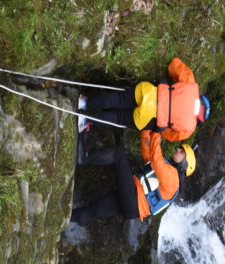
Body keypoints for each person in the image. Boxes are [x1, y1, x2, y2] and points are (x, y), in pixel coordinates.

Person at [70, 132, 195, 225]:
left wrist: (157, 131)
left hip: (133, 199)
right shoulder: (168, 167)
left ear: (183, 165)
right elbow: (148, 156)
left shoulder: (174, 181)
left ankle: (84, 159)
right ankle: (65, 218)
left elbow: (156, 161)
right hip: (132, 208)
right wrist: (147, 132)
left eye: (182, 152)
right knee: (93, 211)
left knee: (118, 154)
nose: (178, 149)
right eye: (181, 148)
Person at [79, 57, 209, 141]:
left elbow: (174, 65)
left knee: (116, 99)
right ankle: (86, 120)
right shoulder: (189, 130)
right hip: (148, 118)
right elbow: (169, 135)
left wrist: (175, 87)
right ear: (199, 118)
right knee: (117, 118)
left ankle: (86, 103)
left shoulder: (191, 84)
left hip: (148, 92)